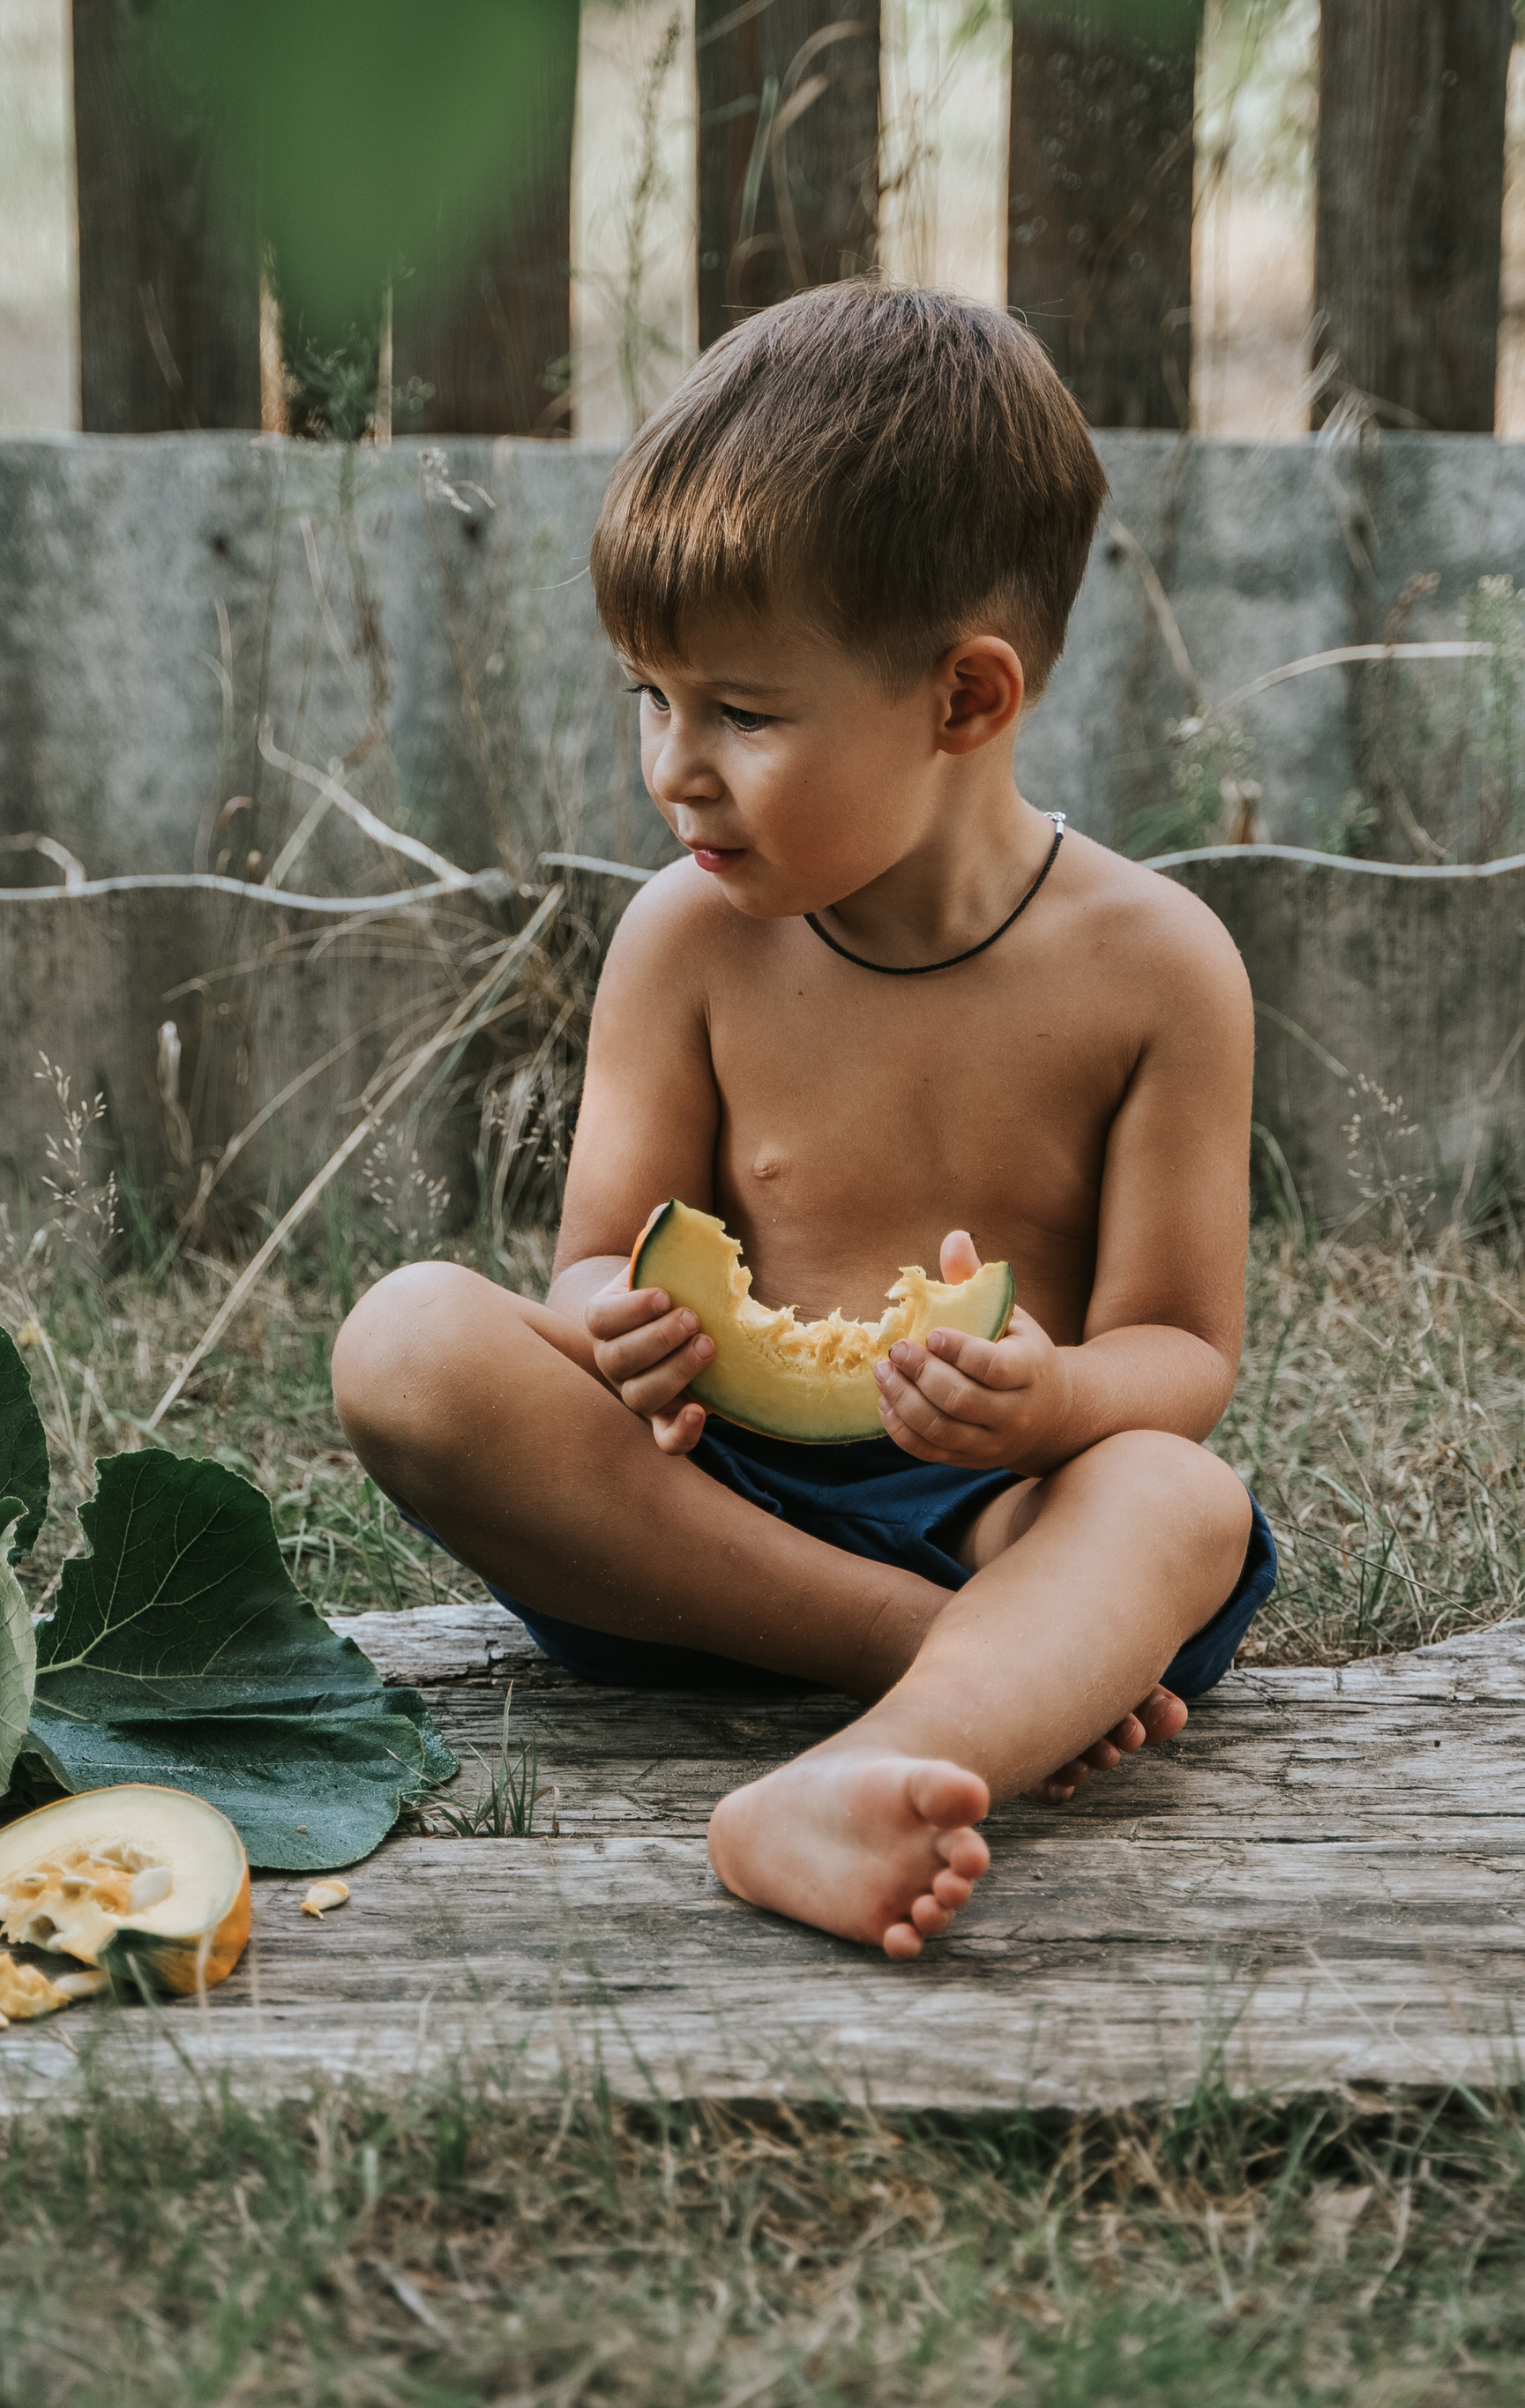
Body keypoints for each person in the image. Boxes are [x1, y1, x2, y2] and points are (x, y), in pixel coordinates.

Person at [333, 281, 1275, 1960]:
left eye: (742, 713)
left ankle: (860, 1777)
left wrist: (1051, 1395)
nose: (673, 769)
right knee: (405, 1339)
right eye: (651, 697)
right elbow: (583, 1276)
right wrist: (607, 1334)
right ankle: (950, 1665)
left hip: (992, 1507)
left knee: (1176, 1504)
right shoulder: (686, 940)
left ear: (965, 701)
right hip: (690, 1523)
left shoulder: (1161, 974)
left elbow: (1182, 1350)